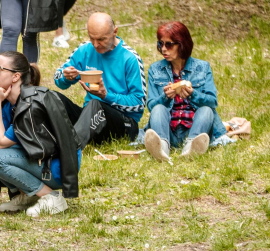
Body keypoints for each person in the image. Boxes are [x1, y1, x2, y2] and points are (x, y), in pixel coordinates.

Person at [0, 52, 80, 221]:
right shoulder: (7, 100)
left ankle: (51, 197)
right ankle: (28, 194)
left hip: (57, 166)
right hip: (39, 159)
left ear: (16, 76)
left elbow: (1, 144)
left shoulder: (29, 104)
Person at [53, 13, 146, 145]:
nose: (96, 44)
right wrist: (65, 76)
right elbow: (58, 78)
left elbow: (139, 103)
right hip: (91, 118)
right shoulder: (85, 50)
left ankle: (72, 147)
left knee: (95, 104)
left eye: (102, 39)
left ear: (115, 32)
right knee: (52, 98)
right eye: (92, 38)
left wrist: (106, 96)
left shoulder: (130, 58)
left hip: (124, 124)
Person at [143, 21, 227, 161]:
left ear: (181, 45)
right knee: (158, 108)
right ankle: (162, 148)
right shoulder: (155, 69)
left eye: (168, 44)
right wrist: (165, 97)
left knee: (206, 110)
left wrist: (193, 94)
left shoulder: (202, 67)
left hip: (194, 130)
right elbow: (151, 105)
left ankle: (191, 148)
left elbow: (212, 102)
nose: (163, 49)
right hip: (167, 130)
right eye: (160, 44)